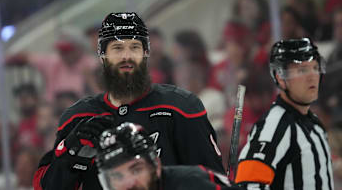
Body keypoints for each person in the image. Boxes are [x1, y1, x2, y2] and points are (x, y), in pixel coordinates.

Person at [33, 12, 225, 190]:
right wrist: (70, 152)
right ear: (102, 56)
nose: (126, 56)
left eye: (134, 47)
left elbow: (212, 179)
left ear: (146, 53)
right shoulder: (78, 117)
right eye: (117, 48)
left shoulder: (181, 107)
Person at [235, 38, 334, 189]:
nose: (312, 76)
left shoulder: (315, 123)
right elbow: (248, 185)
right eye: (302, 70)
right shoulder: (274, 127)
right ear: (280, 78)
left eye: (315, 67)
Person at [96, 122, 241, 190]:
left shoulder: (190, 185)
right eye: (117, 177)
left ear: (157, 166)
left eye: (136, 170)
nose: (129, 183)